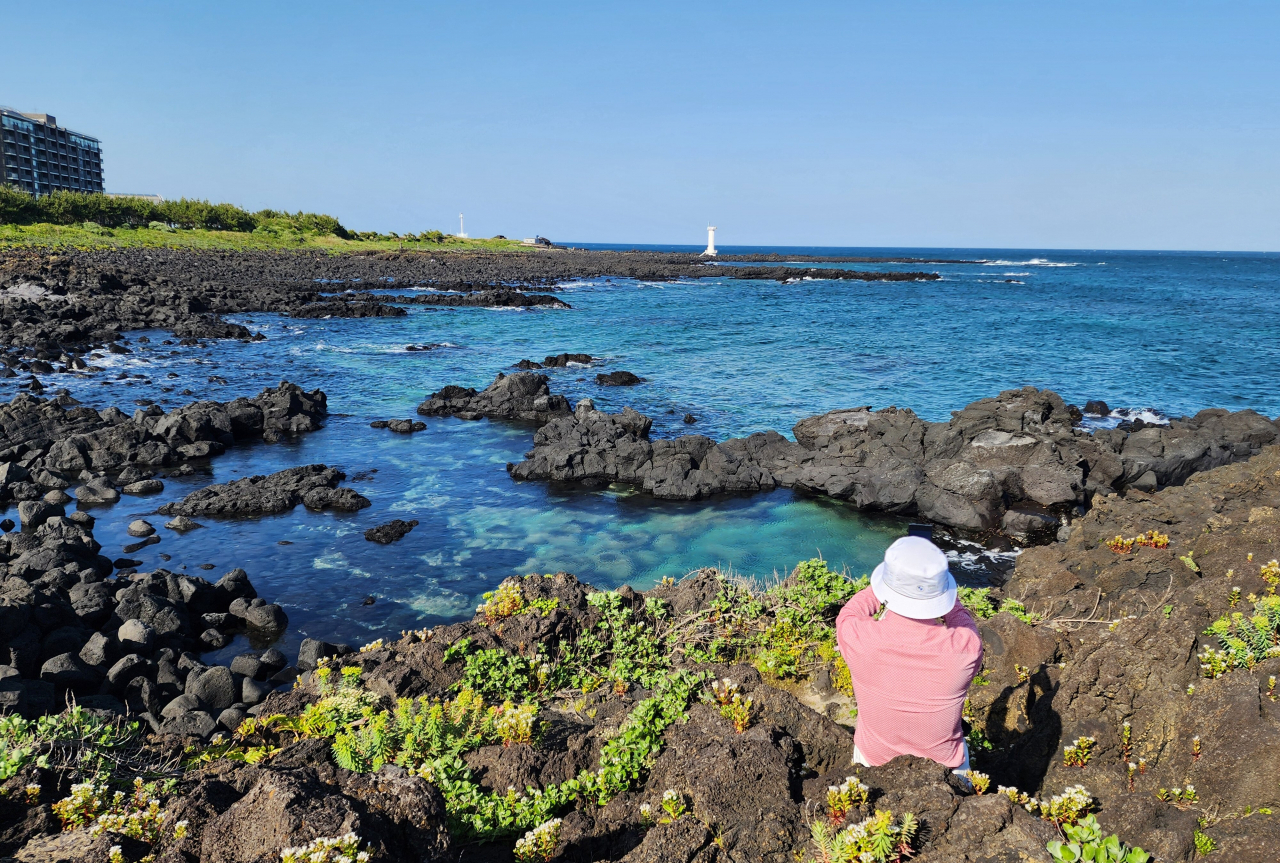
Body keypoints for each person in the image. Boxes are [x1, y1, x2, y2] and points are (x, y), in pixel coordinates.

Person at [835, 535, 983, 777]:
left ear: (885, 589)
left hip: (874, 762)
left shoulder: (857, 636)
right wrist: (942, 594)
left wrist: (885, 585)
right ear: (942, 594)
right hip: (944, 771)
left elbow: (849, 613)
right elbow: (960, 617)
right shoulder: (966, 647)